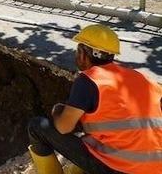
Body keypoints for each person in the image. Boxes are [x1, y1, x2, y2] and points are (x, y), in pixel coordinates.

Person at [27, 24, 162, 174]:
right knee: (90, 137)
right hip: (156, 168)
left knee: (37, 126)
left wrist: (58, 111)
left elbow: (64, 127)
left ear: (82, 53)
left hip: (120, 169)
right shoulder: (144, 79)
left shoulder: (89, 81)